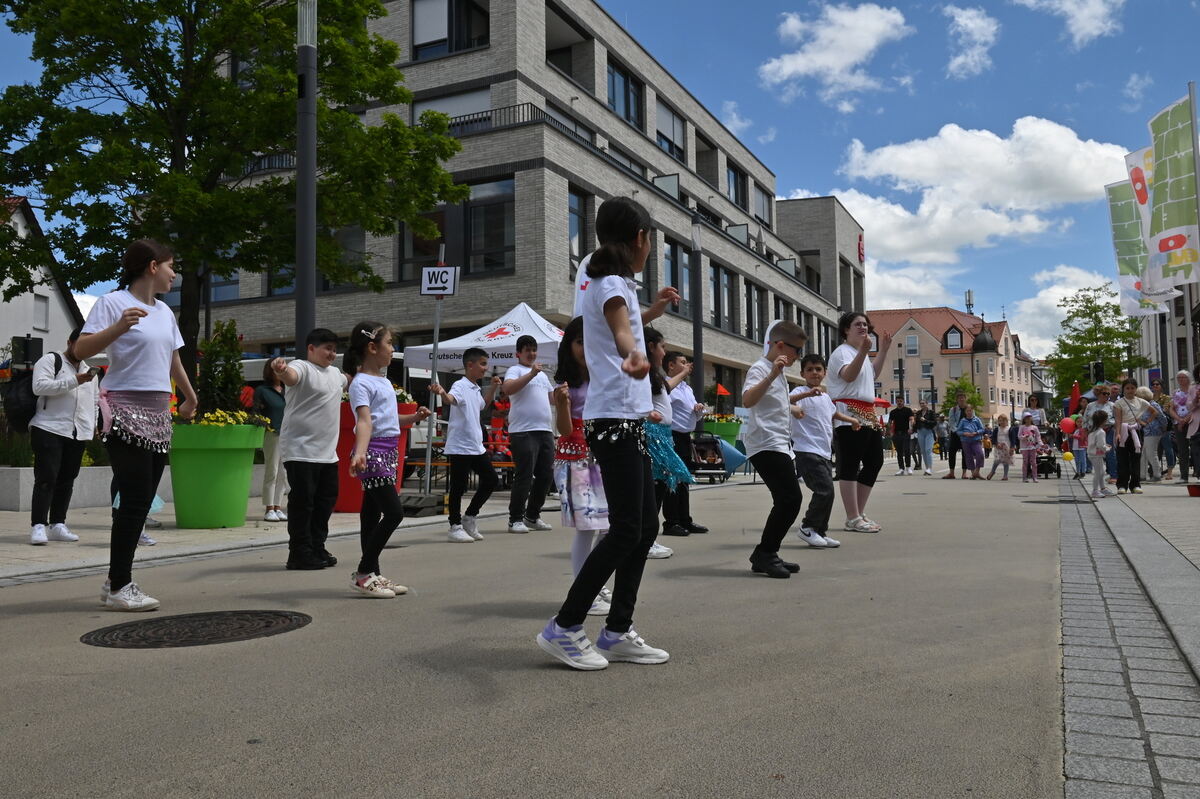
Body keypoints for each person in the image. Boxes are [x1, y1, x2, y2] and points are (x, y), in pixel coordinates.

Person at [537, 196, 670, 670]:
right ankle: (566, 626)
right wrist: (631, 350)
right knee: (628, 528)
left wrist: (641, 324)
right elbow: (618, 323)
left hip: (624, 419)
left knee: (645, 525)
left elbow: (621, 319)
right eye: (650, 240)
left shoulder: (598, 277)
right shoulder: (612, 281)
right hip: (613, 419)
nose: (650, 248)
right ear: (640, 239)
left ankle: (616, 631)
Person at [74, 239, 198, 611]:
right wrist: (118, 327)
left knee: (141, 500)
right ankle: (120, 585)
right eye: (171, 266)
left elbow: (172, 359)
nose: (175, 274)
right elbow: (80, 351)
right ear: (152, 266)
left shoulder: (165, 313)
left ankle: (116, 579)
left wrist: (190, 395)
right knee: (133, 497)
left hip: (159, 410)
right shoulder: (112, 302)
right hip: (123, 408)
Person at [344, 322, 432, 597]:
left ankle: (373, 575)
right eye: (390, 343)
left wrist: (414, 418)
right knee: (394, 512)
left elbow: (389, 420)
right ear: (372, 347)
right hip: (373, 454)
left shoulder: (382, 381)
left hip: (387, 452)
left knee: (371, 514)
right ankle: (363, 572)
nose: (393, 349)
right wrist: (360, 453)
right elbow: (364, 421)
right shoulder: (361, 383)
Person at [551, 317, 612, 616]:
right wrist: (562, 404)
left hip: (603, 457)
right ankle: (582, 590)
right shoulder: (565, 384)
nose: (586, 348)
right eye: (579, 342)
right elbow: (562, 430)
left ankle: (593, 583)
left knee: (607, 527)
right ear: (569, 346)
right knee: (588, 527)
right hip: (574, 458)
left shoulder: (603, 376)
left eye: (591, 340)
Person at [741, 320, 810, 577]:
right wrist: (771, 375)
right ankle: (765, 554)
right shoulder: (761, 369)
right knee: (790, 499)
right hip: (764, 443)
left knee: (787, 500)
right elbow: (748, 400)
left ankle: (767, 553)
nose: (798, 356)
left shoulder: (778, 372)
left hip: (779, 443)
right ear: (780, 345)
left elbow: (773, 403)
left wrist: (793, 406)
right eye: (797, 350)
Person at [273, 328, 347, 570]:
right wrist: (281, 369)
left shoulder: (336, 374)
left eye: (335, 349)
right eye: (327, 348)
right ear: (311, 349)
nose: (332, 354)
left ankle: (317, 545)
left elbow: (352, 379)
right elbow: (290, 377)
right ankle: (299, 552)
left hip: (328, 454)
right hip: (300, 449)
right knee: (303, 503)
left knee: (325, 503)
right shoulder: (302, 367)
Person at [27, 327, 99, 546]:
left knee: (67, 479)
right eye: (81, 345)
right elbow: (39, 387)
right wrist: (74, 381)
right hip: (48, 427)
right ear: (70, 342)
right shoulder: (50, 360)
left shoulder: (90, 371)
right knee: (46, 478)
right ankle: (38, 525)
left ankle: (58, 523)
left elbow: (93, 401)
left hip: (77, 432)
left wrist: (92, 425)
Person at [826, 312, 892, 533]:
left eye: (865, 324)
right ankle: (853, 517)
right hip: (849, 411)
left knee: (875, 461)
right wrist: (865, 351)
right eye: (858, 324)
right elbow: (848, 376)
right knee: (851, 465)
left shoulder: (858, 353)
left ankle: (858, 513)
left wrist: (882, 350)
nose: (863, 327)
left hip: (867, 411)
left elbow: (871, 374)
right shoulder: (842, 353)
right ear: (846, 329)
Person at [430, 348, 502, 543]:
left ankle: (469, 517)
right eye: (482, 364)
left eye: (485, 364)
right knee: (458, 487)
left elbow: (482, 405)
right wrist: (442, 392)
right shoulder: (460, 385)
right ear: (470, 365)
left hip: (475, 446)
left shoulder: (475, 387)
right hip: (460, 446)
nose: (485, 369)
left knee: (491, 480)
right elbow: (450, 400)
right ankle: (454, 526)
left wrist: (493, 388)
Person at [789, 353, 855, 549]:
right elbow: (784, 400)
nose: (814, 373)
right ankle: (808, 527)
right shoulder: (799, 391)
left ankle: (819, 531)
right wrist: (804, 398)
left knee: (828, 492)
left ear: (825, 373)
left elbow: (834, 413)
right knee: (824, 490)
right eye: (809, 369)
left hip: (824, 452)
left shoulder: (825, 397)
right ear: (802, 373)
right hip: (806, 451)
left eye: (818, 369)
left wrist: (852, 420)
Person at [641, 328, 689, 559]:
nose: (664, 352)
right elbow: (634, 399)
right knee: (655, 487)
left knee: (661, 486)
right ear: (651, 347)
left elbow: (665, 389)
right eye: (662, 347)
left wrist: (684, 373)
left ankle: (648, 538)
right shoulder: (642, 371)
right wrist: (647, 414)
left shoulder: (654, 374)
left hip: (663, 434)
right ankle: (645, 540)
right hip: (653, 435)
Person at [502, 335, 556, 534]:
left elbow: (551, 399)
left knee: (546, 475)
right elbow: (507, 389)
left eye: (534, 350)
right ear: (518, 353)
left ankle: (532, 515)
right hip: (523, 431)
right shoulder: (515, 370)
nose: (532, 354)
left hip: (545, 430)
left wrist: (562, 392)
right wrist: (531, 374)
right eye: (528, 350)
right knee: (524, 475)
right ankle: (515, 519)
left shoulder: (541, 374)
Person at [661, 350, 708, 537]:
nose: (687, 365)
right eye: (682, 362)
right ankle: (671, 522)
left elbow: (693, 412)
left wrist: (698, 409)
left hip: (684, 436)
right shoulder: (666, 386)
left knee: (683, 479)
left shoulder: (686, 389)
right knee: (672, 479)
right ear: (671, 365)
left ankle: (684, 519)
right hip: (671, 435)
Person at [254, 360, 289, 522]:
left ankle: (278, 507)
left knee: (283, 473)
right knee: (272, 470)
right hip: (272, 434)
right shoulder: (262, 390)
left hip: (287, 434)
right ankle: (269, 508)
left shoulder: (287, 390)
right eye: (277, 369)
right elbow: (255, 412)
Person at [1114, 378, 1150, 495]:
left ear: (1136, 389)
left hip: (1136, 431)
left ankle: (1135, 484)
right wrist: (1118, 433)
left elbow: (1154, 412)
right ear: (1123, 389)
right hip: (1124, 430)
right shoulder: (1119, 403)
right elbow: (1118, 420)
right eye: (1127, 388)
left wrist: (1145, 422)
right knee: (1122, 459)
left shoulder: (1141, 401)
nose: (1130, 390)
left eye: (1132, 388)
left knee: (1136, 458)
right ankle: (1122, 485)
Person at [1086, 384, 1117, 482]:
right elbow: (1085, 419)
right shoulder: (1090, 406)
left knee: (1110, 453)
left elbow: (1116, 418)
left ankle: (1114, 475)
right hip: (1094, 431)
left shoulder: (1112, 405)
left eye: (1108, 394)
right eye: (1104, 393)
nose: (1107, 395)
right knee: (1096, 454)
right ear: (1098, 394)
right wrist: (1085, 430)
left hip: (1108, 430)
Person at [1169, 370, 1194, 483]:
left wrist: (1186, 419)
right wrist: (1179, 420)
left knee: (1195, 448)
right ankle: (1184, 476)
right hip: (1178, 424)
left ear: (1188, 378)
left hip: (1193, 422)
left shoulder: (1193, 391)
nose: (1181, 380)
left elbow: (1195, 408)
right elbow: (1171, 409)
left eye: (1183, 377)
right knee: (1182, 450)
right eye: (1179, 378)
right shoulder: (1175, 392)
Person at [1138, 386, 1167, 482]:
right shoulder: (1145, 405)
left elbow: (1162, 417)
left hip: (1153, 431)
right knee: (1145, 455)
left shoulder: (1152, 404)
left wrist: (1164, 428)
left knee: (1151, 454)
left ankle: (1157, 474)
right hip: (1149, 431)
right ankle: (1142, 475)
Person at [942, 391, 970, 479]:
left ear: (965, 399)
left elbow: (972, 421)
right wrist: (958, 431)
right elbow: (951, 422)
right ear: (957, 400)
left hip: (966, 434)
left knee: (965, 453)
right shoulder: (953, 409)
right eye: (959, 398)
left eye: (963, 397)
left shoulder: (969, 409)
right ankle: (951, 473)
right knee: (951, 452)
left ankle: (964, 473)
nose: (961, 399)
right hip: (955, 434)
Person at [1088, 410, 1114, 499]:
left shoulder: (1093, 431)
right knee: (1099, 473)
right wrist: (1107, 448)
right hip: (1096, 454)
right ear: (1103, 420)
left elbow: (1096, 443)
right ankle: (1095, 490)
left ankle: (1102, 488)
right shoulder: (1101, 432)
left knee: (1101, 472)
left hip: (1093, 454)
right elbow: (1100, 445)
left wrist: (1105, 446)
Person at [957, 405, 985, 480]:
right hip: (965, 441)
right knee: (969, 457)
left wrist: (976, 432)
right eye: (967, 411)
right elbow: (958, 431)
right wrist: (964, 433)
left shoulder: (977, 419)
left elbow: (982, 429)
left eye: (970, 410)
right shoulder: (963, 420)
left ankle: (977, 471)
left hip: (976, 440)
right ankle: (973, 473)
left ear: (973, 411)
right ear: (965, 412)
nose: (969, 412)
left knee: (980, 454)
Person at [889, 399, 915, 476]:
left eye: (901, 401)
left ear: (904, 402)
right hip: (896, 433)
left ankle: (908, 467)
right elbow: (890, 422)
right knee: (899, 451)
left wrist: (911, 428)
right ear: (896, 402)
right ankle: (901, 468)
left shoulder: (908, 410)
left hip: (905, 433)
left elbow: (911, 419)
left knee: (907, 450)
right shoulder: (893, 412)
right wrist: (890, 432)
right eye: (898, 401)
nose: (899, 403)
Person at [986, 413, 1012, 481]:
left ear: (1007, 421)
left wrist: (1012, 447)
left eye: (1004, 420)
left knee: (1006, 462)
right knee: (997, 460)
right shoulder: (997, 429)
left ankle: (1005, 475)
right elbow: (993, 438)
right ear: (998, 421)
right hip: (998, 447)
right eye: (1000, 420)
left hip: (1006, 447)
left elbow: (1012, 438)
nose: (1002, 422)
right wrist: (996, 444)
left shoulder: (1009, 429)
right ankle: (992, 472)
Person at [914, 399, 937, 475]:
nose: (922, 404)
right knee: (923, 451)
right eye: (921, 403)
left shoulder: (931, 412)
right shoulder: (918, 413)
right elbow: (916, 423)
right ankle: (927, 468)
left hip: (929, 432)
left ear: (927, 404)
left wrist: (925, 420)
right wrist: (913, 428)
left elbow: (934, 423)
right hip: (920, 432)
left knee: (928, 450)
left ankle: (930, 468)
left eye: (923, 403)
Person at [1018, 414, 1040, 482]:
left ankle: (1035, 477)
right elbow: (1019, 436)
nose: (1028, 420)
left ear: (1031, 419)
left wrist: (1040, 444)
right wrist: (1024, 437)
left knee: (1033, 462)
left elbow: (1038, 436)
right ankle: (1024, 477)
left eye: (1029, 418)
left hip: (1032, 447)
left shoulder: (1034, 427)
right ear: (1024, 420)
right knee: (1025, 462)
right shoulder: (1022, 427)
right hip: (1024, 448)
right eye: (1026, 418)